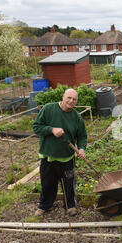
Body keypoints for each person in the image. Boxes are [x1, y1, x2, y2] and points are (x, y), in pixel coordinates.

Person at [33, 88, 87, 217]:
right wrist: (51, 130)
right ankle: (45, 205)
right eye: (69, 97)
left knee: (69, 183)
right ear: (63, 97)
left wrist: (81, 148)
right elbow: (36, 127)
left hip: (67, 157)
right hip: (48, 155)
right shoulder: (48, 109)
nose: (71, 101)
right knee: (47, 183)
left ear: (76, 101)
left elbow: (82, 136)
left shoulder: (76, 117)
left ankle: (70, 206)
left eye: (74, 99)